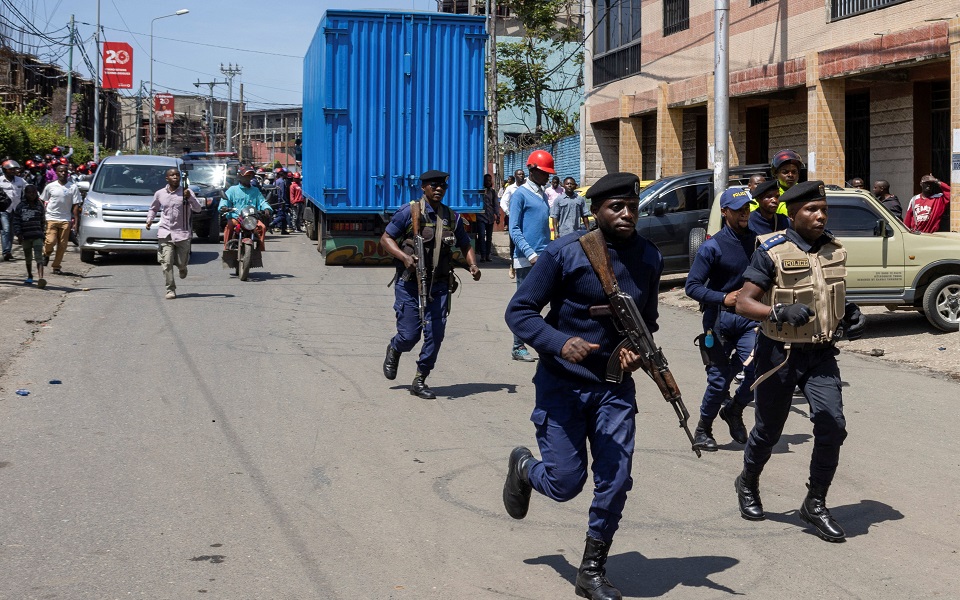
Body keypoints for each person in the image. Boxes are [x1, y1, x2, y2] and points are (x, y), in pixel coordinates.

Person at [502, 172, 662, 600]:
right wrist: (559, 342)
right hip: (562, 386)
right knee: (565, 483)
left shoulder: (649, 257)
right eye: (616, 207)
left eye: (632, 206)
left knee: (616, 477)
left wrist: (634, 350)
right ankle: (524, 468)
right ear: (595, 211)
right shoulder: (565, 253)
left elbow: (648, 322)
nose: (627, 214)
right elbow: (520, 312)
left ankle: (592, 569)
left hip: (614, 388)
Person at [733, 180, 866, 543]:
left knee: (832, 425)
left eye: (824, 209)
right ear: (792, 214)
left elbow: (828, 295)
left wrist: (850, 313)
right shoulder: (771, 251)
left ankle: (815, 503)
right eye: (811, 209)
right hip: (779, 355)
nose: (820, 216)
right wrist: (778, 311)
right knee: (769, 431)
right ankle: (748, 481)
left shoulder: (833, 249)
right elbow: (744, 302)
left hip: (820, 354)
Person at [380, 170, 482, 399]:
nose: (438, 189)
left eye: (442, 186)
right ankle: (395, 348)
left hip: (439, 285)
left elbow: (465, 244)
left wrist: (473, 265)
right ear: (423, 188)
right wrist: (404, 257)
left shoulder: (452, 217)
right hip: (409, 284)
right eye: (433, 186)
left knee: (435, 334)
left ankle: (420, 379)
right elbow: (386, 239)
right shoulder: (409, 212)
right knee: (409, 335)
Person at [686, 188, 759, 451]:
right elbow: (692, 286)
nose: (744, 214)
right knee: (718, 380)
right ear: (725, 212)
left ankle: (734, 410)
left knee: (758, 371)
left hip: (749, 320)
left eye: (747, 208)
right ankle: (703, 429)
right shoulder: (712, 246)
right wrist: (723, 297)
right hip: (718, 321)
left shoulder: (758, 242)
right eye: (739, 210)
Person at [508, 151, 554, 362]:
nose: (548, 176)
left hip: (544, 256)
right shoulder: (520, 195)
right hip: (527, 259)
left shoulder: (542, 194)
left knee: (548, 301)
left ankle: (549, 343)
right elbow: (514, 229)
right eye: (544, 172)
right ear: (532, 170)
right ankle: (518, 346)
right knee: (525, 304)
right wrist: (531, 254)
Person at [146, 167, 202, 300]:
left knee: (181, 262)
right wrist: (149, 220)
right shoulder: (160, 193)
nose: (175, 177)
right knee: (166, 262)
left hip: (182, 233)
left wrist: (190, 198)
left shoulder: (187, 192)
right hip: (165, 232)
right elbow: (153, 208)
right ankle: (170, 289)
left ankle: (183, 268)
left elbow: (198, 209)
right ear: (167, 178)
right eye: (172, 175)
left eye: (177, 175)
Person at [39, 163, 80, 276]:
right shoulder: (50, 186)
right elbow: (42, 200)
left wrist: (76, 223)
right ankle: (46, 253)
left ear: (68, 173)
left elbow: (76, 205)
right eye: (60, 171)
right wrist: (42, 215)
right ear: (56, 173)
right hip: (51, 218)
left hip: (65, 219)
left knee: (62, 245)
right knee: (50, 241)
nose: (63, 173)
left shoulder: (73, 187)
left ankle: (56, 266)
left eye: (65, 171)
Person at [219, 167, 273, 251]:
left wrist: (266, 208)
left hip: (251, 218)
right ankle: (226, 248)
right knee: (229, 226)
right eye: (246, 176)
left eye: (250, 176)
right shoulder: (232, 190)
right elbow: (225, 200)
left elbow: (262, 201)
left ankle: (260, 249)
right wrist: (223, 207)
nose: (248, 178)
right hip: (236, 217)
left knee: (262, 227)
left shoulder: (255, 190)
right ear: (239, 176)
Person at [11, 184, 46, 288]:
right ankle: (30, 275)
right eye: (29, 193)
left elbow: (42, 221)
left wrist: (43, 233)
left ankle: (41, 278)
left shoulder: (39, 206)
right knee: (28, 258)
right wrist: (18, 234)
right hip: (25, 236)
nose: (32, 195)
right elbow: (16, 221)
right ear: (25, 194)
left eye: (34, 192)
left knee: (39, 257)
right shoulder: (20, 206)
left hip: (37, 235)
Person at [500, 170, 525, 279]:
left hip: (525, 219)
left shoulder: (526, 188)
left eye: (523, 174)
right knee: (513, 242)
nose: (521, 176)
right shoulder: (510, 188)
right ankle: (513, 265)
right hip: (514, 219)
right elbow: (503, 202)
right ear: (515, 176)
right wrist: (509, 213)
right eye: (519, 174)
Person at [0, 159, 27, 261]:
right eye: (10, 169)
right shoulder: (0, 180)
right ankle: (6, 252)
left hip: (16, 209)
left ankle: (8, 251)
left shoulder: (20, 180)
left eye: (14, 169)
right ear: (4, 170)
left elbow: (29, 188)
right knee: (6, 230)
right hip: (3, 209)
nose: (13, 171)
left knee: (11, 231)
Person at [769, 149, 804, 217]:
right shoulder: (769, 195)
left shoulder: (805, 192)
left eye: (794, 172)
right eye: (785, 172)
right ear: (776, 174)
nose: (790, 175)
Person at [475, 174, 499, 261]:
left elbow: (496, 204)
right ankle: (483, 255)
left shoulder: (492, 192)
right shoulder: (480, 191)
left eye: (490, 180)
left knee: (489, 237)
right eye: (487, 180)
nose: (488, 182)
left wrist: (498, 215)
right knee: (481, 236)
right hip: (481, 216)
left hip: (490, 217)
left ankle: (488, 255)